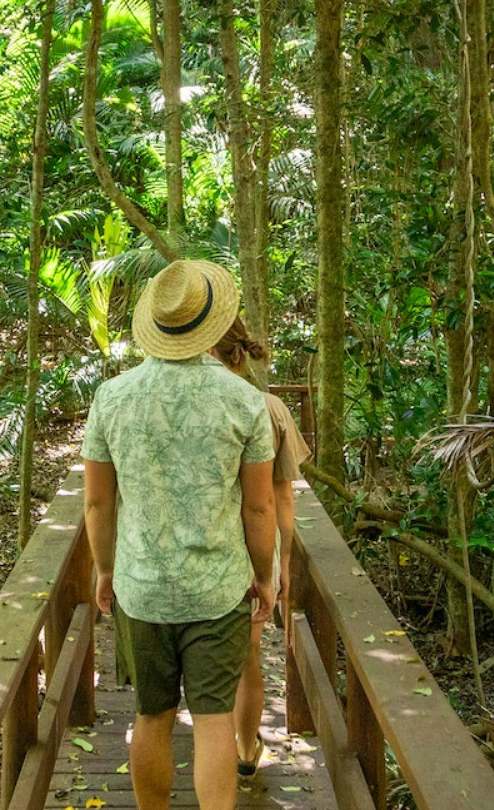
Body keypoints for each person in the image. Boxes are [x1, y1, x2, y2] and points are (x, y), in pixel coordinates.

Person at [81, 259, 280, 810]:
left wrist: (105, 569)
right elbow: (260, 509)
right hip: (217, 588)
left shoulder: (111, 398)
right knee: (214, 720)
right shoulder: (244, 401)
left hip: (141, 587)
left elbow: (97, 501)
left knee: (152, 716)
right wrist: (265, 579)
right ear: (212, 324)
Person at [210, 316, 308, 777]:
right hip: (256, 547)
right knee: (248, 655)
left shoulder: (193, 402)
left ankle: (214, 745)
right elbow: (282, 495)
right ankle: (246, 751)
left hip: (206, 544)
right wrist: (281, 561)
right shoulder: (269, 407)